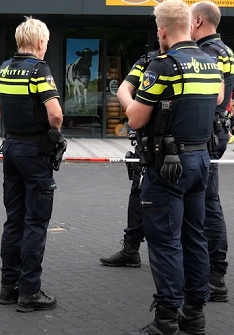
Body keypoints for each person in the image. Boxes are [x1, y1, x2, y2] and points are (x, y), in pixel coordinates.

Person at [124, 1, 223, 334]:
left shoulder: (163, 66)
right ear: (190, 25)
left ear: (161, 30)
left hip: (167, 167)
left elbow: (136, 117)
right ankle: (194, 314)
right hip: (201, 162)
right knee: (195, 237)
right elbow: (219, 99)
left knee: (165, 241)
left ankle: (166, 317)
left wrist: (128, 99)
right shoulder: (211, 64)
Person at [0, 16, 63, 313]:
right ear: (40, 42)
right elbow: (55, 113)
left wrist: (7, 117)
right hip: (34, 152)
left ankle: (8, 288)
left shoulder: (4, 68)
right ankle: (30, 293)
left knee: (14, 220)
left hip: (10, 149)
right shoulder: (40, 70)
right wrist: (54, 134)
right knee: (36, 222)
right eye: (46, 43)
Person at [191, 0, 234, 304]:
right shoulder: (226, 51)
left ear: (198, 22)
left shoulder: (206, 54)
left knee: (208, 202)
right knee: (207, 200)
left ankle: (215, 275)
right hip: (218, 131)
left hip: (206, 133)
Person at [100, 49, 159, 268]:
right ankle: (131, 248)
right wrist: (135, 111)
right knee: (138, 193)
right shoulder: (149, 60)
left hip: (180, 145)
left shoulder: (193, 60)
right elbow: (124, 88)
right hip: (149, 143)